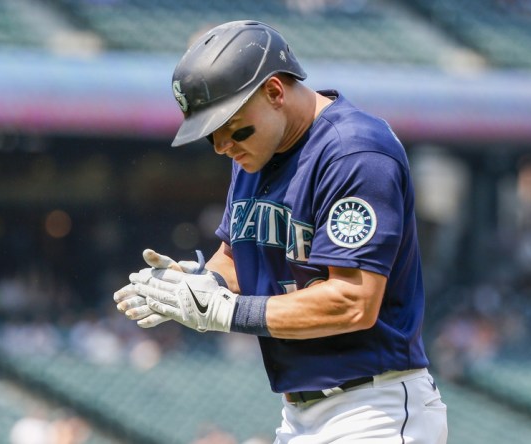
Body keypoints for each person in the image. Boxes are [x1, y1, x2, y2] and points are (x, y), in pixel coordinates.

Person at [114, 20, 447, 443]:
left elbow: (353, 301)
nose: (221, 145)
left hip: (371, 409)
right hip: (299, 414)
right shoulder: (255, 149)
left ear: (274, 92)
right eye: (211, 133)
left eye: (231, 126)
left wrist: (223, 311)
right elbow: (237, 255)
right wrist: (198, 285)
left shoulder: (355, 151)